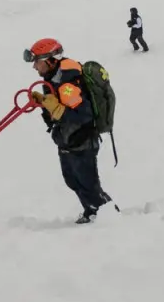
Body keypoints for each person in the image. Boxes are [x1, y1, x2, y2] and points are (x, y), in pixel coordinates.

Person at [24, 38, 112, 223]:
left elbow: (83, 114)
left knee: (88, 185)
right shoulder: (52, 81)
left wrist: (56, 108)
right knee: (73, 181)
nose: (34, 67)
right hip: (67, 141)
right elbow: (55, 115)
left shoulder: (67, 84)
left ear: (51, 60)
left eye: (37, 62)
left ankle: (109, 216)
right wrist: (43, 104)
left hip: (82, 142)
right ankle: (92, 211)